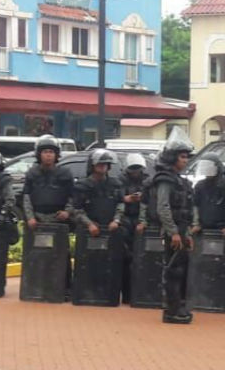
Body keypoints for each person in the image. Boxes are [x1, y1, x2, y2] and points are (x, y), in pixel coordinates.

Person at [150, 127, 194, 324]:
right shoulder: (165, 179)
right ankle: (171, 310)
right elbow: (163, 207)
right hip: (172, 231)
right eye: (182, 156)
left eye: (186, 157)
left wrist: (187, 233)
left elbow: (186, 209)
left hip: (182, 229)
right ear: (172, 158)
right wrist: (173, 232)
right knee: (173, 270)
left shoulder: (180, 181)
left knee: (180, 269)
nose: (185, 160)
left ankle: (177, 307)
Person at [117, 153, 149, 303]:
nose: (135, 172)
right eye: (133, 169)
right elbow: (117, 198)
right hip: (125, 220)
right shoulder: (120, 180)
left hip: (141, 221)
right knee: (125, 257)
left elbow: (151, 200)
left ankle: (139, 293)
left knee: (142, 258)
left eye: (138, 169)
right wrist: (126, 199)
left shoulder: (147, 181)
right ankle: (126, 294)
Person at [22, 136, 73, 227]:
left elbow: (72, 196)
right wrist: (30, 217)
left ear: (56, 155)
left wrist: (67, 212)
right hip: (37, 220)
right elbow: (26, 197)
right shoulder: (31, 173)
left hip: (59, 219)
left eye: (51, 152)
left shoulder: (65, 173)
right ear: (39, 154)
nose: (48, 155)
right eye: (45, 152)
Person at [72, 149, 124, 238]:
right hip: (87, 230)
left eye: (105, 164)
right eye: (99, 164)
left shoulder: (115, 184)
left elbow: (120, 203)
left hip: (111, 229)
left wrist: (116, 220)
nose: (103, 166)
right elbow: (77, 209)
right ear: (92, 165)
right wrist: (89, 224)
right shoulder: (82, 186)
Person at [191, 153, 225, 240]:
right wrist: (196, 224)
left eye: (208, 166)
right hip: (204, 230)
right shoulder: (200, 186)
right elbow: (196, 205)